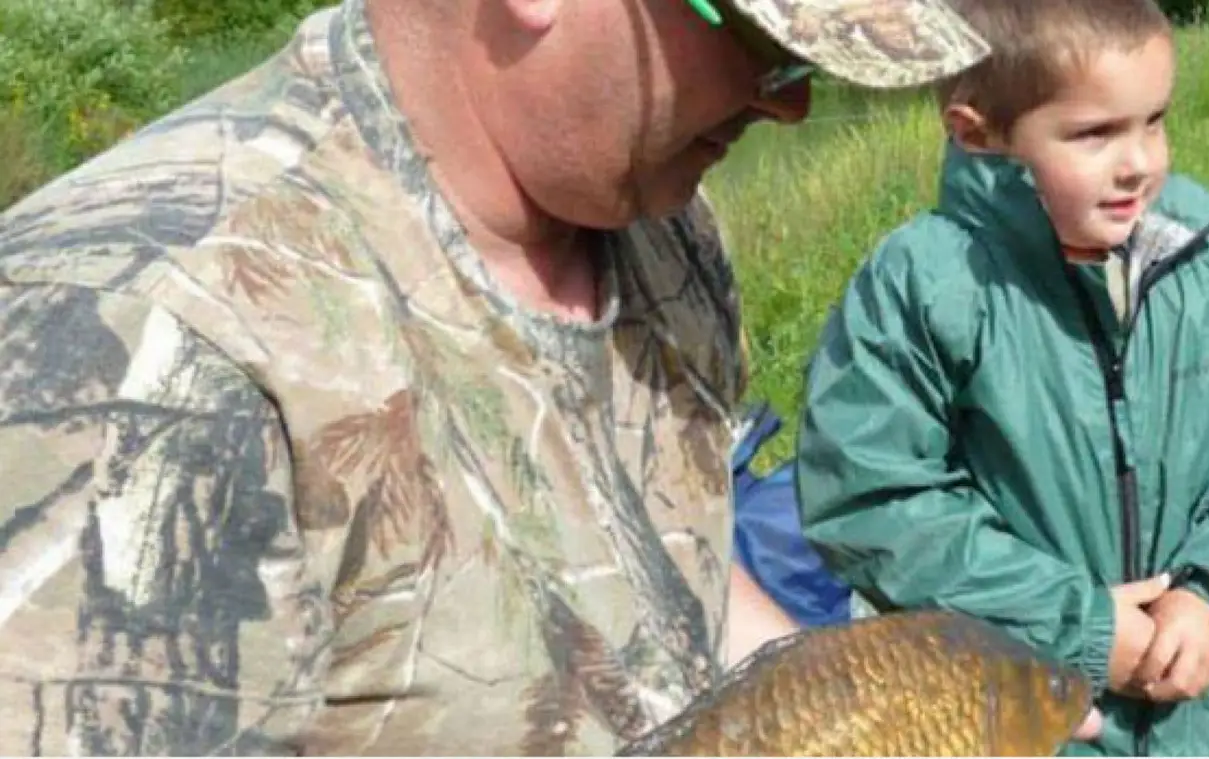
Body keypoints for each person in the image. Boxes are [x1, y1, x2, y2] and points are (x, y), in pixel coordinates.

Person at [0, 0, 989, 753]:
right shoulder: (143, 332)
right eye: (762, 41)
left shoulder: (660, 228)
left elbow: (667, 562)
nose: (791, 98)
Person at [791, 0, 1209, 754]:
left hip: (1207, 719)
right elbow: (870, 497)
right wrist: (1079, 625)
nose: (1138, 161)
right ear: (978, 135)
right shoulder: (925, 285)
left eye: (1153, 120)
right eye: (1094, 134)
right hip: (1023, 716)